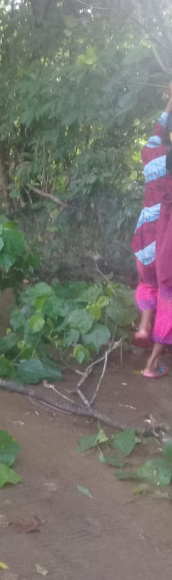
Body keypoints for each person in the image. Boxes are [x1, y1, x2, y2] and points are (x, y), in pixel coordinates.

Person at [131, 84, 172, 378]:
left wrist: (170, 101)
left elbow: (160, 126)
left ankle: (145, 325)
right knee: (169, 297)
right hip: (165, 241)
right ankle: (151, 365)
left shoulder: (151, 152)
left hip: (143, 236)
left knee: (149, 283)